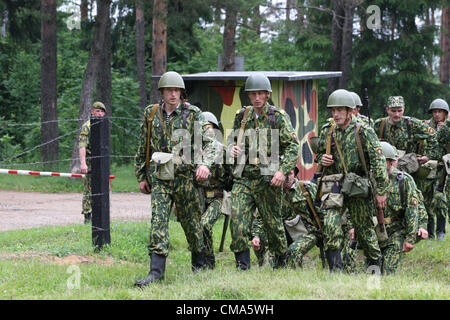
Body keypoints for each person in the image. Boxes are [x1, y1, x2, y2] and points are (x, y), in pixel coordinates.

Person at [133, 71, 215, 287]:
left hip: (186, 179)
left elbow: (210, 142)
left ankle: (200, 265)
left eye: (176, 90)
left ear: (181, 92)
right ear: (162, 92)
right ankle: (155, 273)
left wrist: (205, 164)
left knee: (192, 225)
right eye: (169, 90)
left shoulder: (193, 114)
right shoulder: (151, 114)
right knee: (158, 222)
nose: (173, 94)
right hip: (160, 178)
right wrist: (142, 175)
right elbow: (143, 145)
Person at [228, 73, 299, 270]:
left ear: (267, 95)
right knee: (238, 220)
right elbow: (233, 142)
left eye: (260, 94)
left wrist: (283, 172)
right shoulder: (242, 117)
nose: (256, 97)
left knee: (273, 224)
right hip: (245, 177)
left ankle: (281, 262)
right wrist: (232, 149)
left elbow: (292, 147)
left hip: (269, 178)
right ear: (248, 96)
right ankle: (242, 267)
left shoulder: (278, 117)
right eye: (253, 94)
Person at [316, 89, 388, 272]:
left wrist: (381, 191)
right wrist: (322, 159)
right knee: (331, 226)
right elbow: (318, 154)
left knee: (364, 232)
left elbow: (379, 161)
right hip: (334, 184)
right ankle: (336, 272)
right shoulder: (328, 130)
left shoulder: (364, 131)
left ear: (350, 111)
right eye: (333, 110)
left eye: (340, 110)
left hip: (357, 185)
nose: (336, 114)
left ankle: (375, 270)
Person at [373, 96, 440, 239]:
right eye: (393, 111)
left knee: (415, 198)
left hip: (407, 168)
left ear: (404, 109)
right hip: (384, 167)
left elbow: (433, 135)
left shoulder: (412, 124)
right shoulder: (380, 125)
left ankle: (421, 230)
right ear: (387, 110)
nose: (397, 114)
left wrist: (428, 156)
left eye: (399, 110)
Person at [251, 168, 324, 269]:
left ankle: (294, 277)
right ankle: (268, 267)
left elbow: (322, 212)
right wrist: (256, 236)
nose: (286, 178)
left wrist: (325, 234)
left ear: (294, 173)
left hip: (307, 232)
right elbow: (261, 218)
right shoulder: (271, 193)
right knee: (261, 240)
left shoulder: (307, 187)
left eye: (289, 174)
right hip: (282, 233)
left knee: (293, 252)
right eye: (284, 174)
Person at [198, 111, 233, 269]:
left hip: (216, 197)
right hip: (198, 197)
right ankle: (198, 260)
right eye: (204, 128)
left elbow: (230, 176)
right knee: (195, 228)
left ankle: (209, 261)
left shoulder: (222, 151)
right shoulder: (192, 151)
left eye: (211, 127)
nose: (208, 131)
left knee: (205, 224)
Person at [78, 101, 107, 224]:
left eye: (102, 111)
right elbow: (82, 145)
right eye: (97, 111)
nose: (99, 114)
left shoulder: (104, 125)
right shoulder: (87, 126)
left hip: (102, 161)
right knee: (89, 189)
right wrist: (83, 163)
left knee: (102, 189)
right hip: (91, 161)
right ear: (92, 112)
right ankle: (87, 216)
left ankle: (100, 215)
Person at [425, 99, 448, 241]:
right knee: (427, 201)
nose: (437, 114)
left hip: (444, 168)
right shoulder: (426, 126)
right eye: (435, 111)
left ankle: (441, 232)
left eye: (440, 111)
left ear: (445, 113)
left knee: (440, 201)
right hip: (429, 167)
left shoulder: (448, 126)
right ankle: (430, 233)